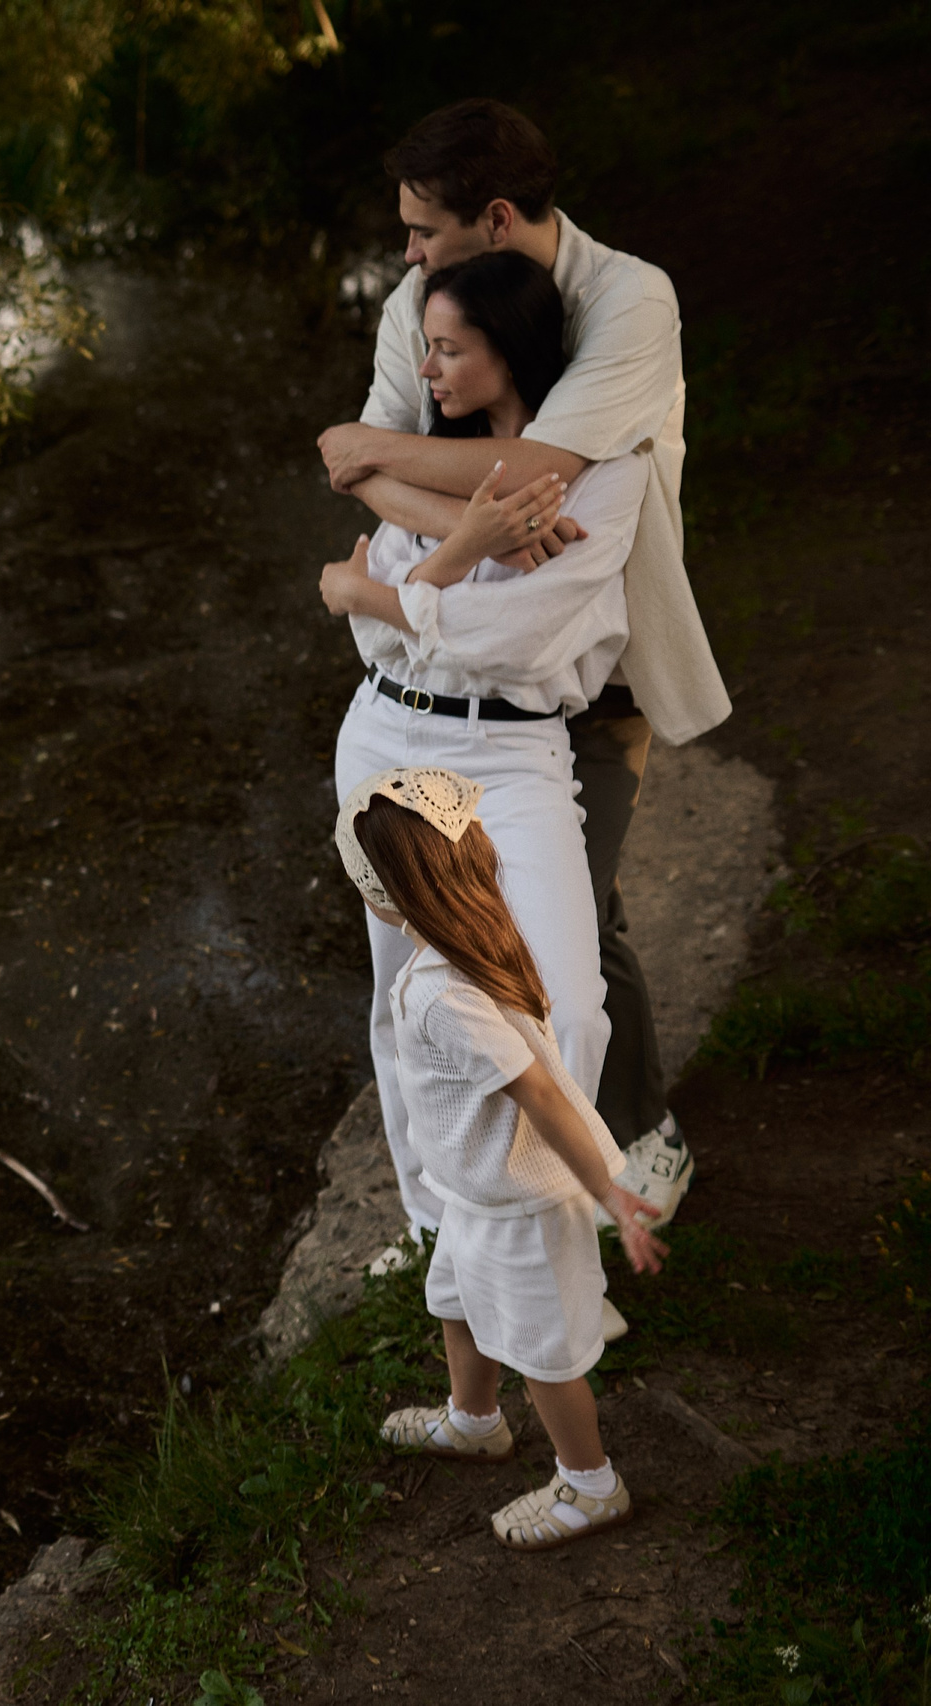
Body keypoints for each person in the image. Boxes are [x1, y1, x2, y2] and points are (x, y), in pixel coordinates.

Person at [317, 98, 728, 1223]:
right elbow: (377, 471)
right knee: (472, 935)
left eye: (422, 231)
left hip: (592, 665)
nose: (404, 258)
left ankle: (630, 1143)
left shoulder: (628, 299)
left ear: (494, 219)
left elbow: (549, 465)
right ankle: (489, 1201)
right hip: (451, 675)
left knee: (574, 932)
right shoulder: (419, 305)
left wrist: (386, 473)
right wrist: (470, 518)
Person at [320, 247, 645, 1244]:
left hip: (512, 753)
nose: (428, 371)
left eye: (450, 350)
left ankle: (543, 1219)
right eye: (427, 348)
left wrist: (374, 590)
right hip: (386, 731)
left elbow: (519, 640)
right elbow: (376, 630)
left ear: (507, 351)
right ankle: (443, 1237)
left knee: (564, 1001)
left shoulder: (604, 477)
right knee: (402, 999)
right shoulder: (425, 447)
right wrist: (457, 556)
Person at [333, 768, 668, 1552]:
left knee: (541, 1354)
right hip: (474, 1192)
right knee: (453, 1302)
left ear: (383, 896)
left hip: (519, 1207)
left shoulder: (443, 994)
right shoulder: (474, 937)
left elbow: (543, 1097)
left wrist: (609, 1193)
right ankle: (474, 1421)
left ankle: (592, 1484)